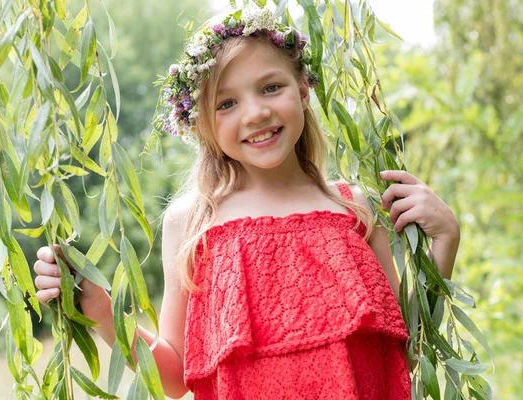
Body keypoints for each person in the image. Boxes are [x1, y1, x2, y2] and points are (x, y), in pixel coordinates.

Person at [34, 6, 460, 399]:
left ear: (303, 90)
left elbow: (401, 343)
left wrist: (445, 240)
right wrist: (100, 309)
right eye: (227, 103)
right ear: (201, 122)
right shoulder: (195, 223)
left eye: (270, 87)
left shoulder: (354, 210)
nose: (255, 113)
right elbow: (173, 376)